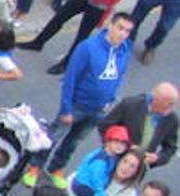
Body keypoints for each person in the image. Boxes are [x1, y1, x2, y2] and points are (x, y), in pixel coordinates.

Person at [31, 12, 136, 186]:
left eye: (127, 31)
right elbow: (70, 79)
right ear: (110, 25)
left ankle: (56, 168)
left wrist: (111, 100)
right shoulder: (87, 47)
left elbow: (120, 75)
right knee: (54, 136)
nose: (123, 34)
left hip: (99, 109)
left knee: (74, 142)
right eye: (120, 28)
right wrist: (66, 108)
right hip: (77, 105)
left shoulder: (125, 50)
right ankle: (35, 166)